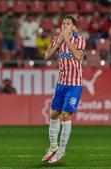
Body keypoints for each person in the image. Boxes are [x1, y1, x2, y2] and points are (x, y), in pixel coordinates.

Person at [41, 15, 86, 164]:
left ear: (73, 27)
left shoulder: (79, 40)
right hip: (61, 84)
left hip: (74, 85)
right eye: (63, 23)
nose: (65, 25)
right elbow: (47, 56)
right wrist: (58, 43)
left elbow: (79, 56)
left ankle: (61, 150)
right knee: (54, 114)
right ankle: (53, 147)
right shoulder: (56, 40)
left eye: (68, 24)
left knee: (65, 116)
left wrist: (66, 40)